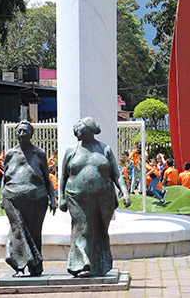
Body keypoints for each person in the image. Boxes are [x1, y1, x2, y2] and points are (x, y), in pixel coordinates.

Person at [59, 117, 131, 278]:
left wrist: (125, 193)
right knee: (82, 228)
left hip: (103, 198)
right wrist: (61, 198)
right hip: (76, 197)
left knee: (100, 231)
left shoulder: (105, 149)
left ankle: (99, 264)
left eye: (79, 127)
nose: (76, 130)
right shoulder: (71, 151)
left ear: (90, 129)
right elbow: (63, 175)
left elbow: (116, 174)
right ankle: (81, 264)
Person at [0, 121, 56, 277]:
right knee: (17, 231)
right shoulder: (10, 153)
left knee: (34, 232)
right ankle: (19, 266)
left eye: (25, 131)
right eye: (19, 131)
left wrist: (52, 198)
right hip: (12, 197)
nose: (22, 134)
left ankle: (35, 267)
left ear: (31, 134)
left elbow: (47, 177)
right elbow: (5, 177)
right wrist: (2, 196)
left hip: (36, 199)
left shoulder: (39, 153)